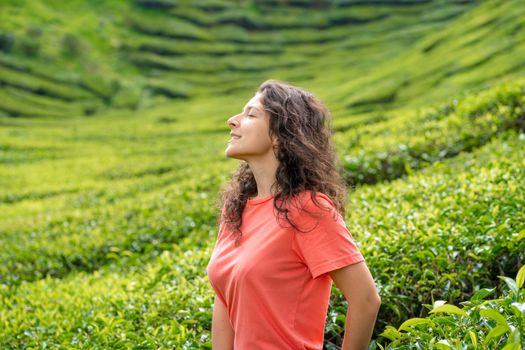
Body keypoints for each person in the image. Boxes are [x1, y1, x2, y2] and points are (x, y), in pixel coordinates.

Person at [206, 79, 381, 349]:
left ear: (280, 134)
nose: (233, 121)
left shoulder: (308, 209)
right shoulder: (236, 210)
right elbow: (225, 299)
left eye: (250, 114)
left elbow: (366, 300)